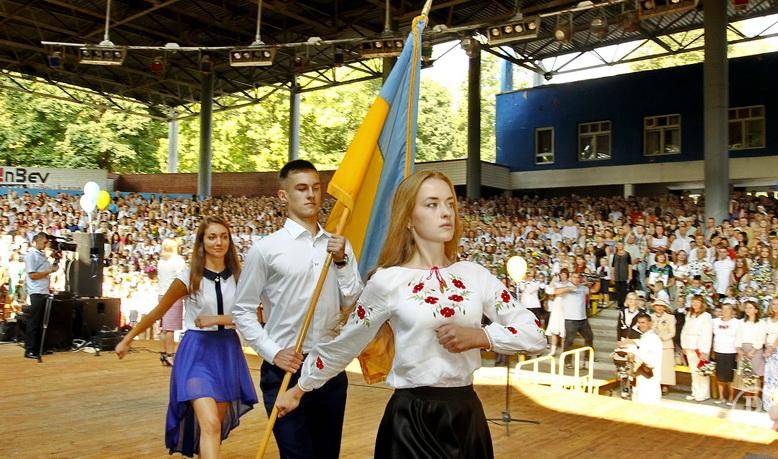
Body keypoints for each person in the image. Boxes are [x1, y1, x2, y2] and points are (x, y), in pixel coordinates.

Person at [274, 171, 547, 458]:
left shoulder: (475, 275)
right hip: (411, 421)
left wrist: (481, 336)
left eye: (450, 204)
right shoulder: (387, 281)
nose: (446, 212)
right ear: (407, 218)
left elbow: (535, 335)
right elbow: (346, 344)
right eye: (432, 204)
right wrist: (299, 389)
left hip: (466, 417)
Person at [232, 160, 363, 459]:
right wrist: (273, 351)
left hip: (327, 367)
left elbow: (353, 303)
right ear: (284, 196)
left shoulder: (339, 246)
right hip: (285, 369)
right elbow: (242, 310)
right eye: (302, 188)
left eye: (316, 188)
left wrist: (342, 262)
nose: (311, 195)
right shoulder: (266, 250)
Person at [115, 216, 258, 458]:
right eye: (212, 237)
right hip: (196, 353)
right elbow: (159, 310)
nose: (219, 242)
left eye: (224, 237)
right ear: (201, 242)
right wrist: (128, 338)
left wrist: (217, 319)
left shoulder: (239, 276)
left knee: (214, 428)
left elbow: (253, 315)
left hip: (227, 352)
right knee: (210, 423)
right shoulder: (189, 276)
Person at [23, 232, 58, 359]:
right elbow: (32, 275)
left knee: (43, 321)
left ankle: (40, 348)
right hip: (36, 291)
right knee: (34, 321)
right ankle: (30, 349)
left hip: (44, 291)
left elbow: (49, 270)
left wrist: (56, 261)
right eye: (44, 242)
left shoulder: (42, 255)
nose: (46, 244)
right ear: (37, 241)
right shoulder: (31, 255)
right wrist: (49, 271)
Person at [157, 237, 186, 366]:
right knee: (170, 328)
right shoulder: (178, 261)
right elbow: (182, 278)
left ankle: (163, 353)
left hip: (161, 294)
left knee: (164, 327)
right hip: (173, 295)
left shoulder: (161, 261)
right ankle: (170, 355)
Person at [557, 271, 594, 369]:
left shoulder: (583, 288)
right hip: (570, 319)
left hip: (583, 319)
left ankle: (587, 358)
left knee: (589, 337)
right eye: (574, 277)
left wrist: (595, 281)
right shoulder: (566, 286)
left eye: (578, 277)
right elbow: (555, 291)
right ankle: (567, 361)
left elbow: (594, 290)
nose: (577, 279)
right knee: (569, 341)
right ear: (570, 278)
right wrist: (569, 288)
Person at [681, 295, 713, 402]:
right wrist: (684, 345)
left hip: (700, 346)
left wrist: (704, 350)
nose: (695, 304)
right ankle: (695, 392)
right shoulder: (689, 314)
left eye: (697, 302)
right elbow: (684, 330)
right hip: (689, 346)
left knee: (701, 371)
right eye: (693, 302)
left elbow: (707, 334)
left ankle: (703, 394)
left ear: (702, 304)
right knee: (693, 371)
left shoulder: (706, 316)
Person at [626, 314, 662, 404]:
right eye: (639, 323)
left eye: (643, 323)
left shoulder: (653, 338)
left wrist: (633, 351)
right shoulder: (645, 336)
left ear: (650, 323)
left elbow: (647, 358)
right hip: (641, 373)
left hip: (649, 373)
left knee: (647, 400)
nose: (641, 325)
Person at [735, 300, 766, 399]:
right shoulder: (741, 322)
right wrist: (738, 349)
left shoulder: (761, 323)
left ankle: (756, 399)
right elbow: (738, 336)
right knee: (746, 374)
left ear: (756, 310)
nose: (748, 309)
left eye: (750, 308)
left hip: (755, 350)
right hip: (743, 349)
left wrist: (753, 350)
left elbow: (761, 338)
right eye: (746, 308)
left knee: (756, 374)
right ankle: (748, 398)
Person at [712, 302, 741, 406]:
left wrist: (738, 353)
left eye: (728, 309)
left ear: (732, 311)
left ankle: (731, 398)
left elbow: (739, 337)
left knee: (730, 377)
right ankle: (721, 397)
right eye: (723, 309)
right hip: (718, 351)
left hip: (731, 352)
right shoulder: (715, 321)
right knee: (719, 376)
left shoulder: (737, 322)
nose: (725, 311)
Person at [763, 298, 778, 411]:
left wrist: (772, 348)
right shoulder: (766, 319)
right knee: (769, 378)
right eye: (773, 304)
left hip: (777, 350)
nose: (776, 306)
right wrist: (766, 347)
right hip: (768, 350)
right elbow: (764, 334)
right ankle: (768, 405)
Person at [651, 298, 676, 394]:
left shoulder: (670, 317)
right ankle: (655, 384)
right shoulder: (650, 317)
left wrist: (662, 338)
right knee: (654, 365)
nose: (659, 308)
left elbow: (672, 332)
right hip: (653, 344)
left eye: (661, 306)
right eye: (657, 305)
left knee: (666, 366)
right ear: (654, 307)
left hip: (666, 344)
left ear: (665, 307)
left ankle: (665, 385)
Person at [545, 268, 569, 356]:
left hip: (566, 307)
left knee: (563, 331)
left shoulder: (569, 284)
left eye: (564, 274)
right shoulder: (557, 284)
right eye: (561, 274)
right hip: (556, 308)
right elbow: (549, 291)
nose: (562, 276)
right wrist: (553, 279)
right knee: (554, 330)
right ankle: (553, 351)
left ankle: (563, 351)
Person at [610, 243, 632, 309]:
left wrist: (630, 275)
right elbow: (613, 266)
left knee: (624, 291)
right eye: (618, 245)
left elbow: (630, 265)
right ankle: (619, 304)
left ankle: (624, 304)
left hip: (624, 274)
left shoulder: (627, 254)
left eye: (621, 245)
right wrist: (612, 275)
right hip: (617, 275)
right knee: (617, 290)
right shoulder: (615, 255)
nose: (620, 246)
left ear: (623, 246)